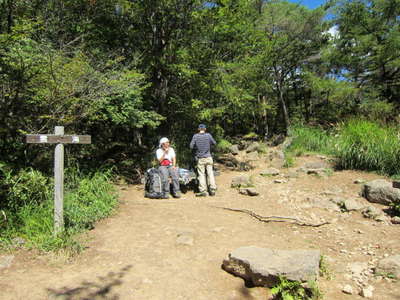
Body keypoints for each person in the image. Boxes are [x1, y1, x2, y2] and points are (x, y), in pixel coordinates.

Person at [190, 124, 217, 196]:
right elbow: (214, 143)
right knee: (210, 173)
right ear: (205, 129)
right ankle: (212, 189)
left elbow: (191, 146)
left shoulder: (195, 136)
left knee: (201, 174)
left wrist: (197, 148)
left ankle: (203, 190)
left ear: (198, 129)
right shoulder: (208, 135)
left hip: (200, 158)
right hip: (208, 157)